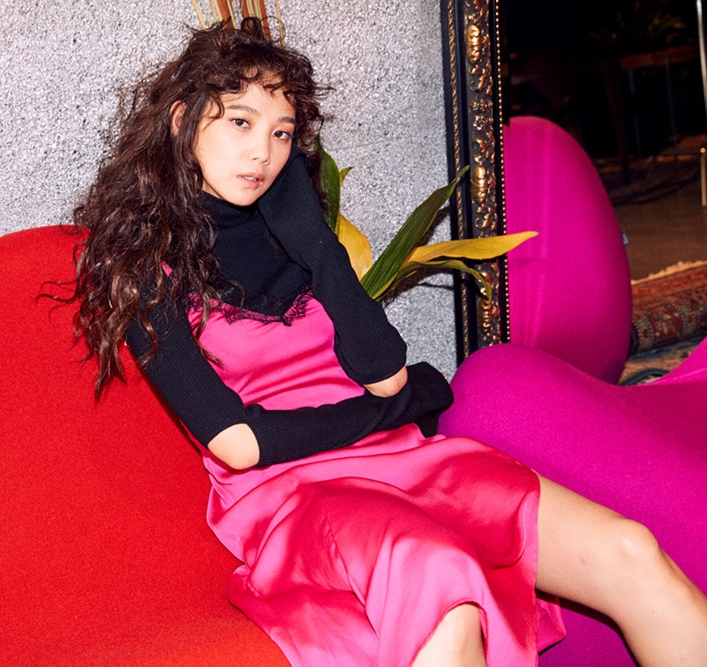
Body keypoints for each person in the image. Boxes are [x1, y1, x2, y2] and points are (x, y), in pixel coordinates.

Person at [68, 19, 707, 666]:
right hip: (293, 495)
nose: (262, 152)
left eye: (281, 132)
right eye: (241, 122)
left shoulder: (291, 226)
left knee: (631, 549)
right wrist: (393, 409)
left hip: (405, 459)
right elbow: (239, 443)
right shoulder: (138, 262)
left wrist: (317, 244)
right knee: (445, 591)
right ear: (182, 120)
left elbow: (386, 375)